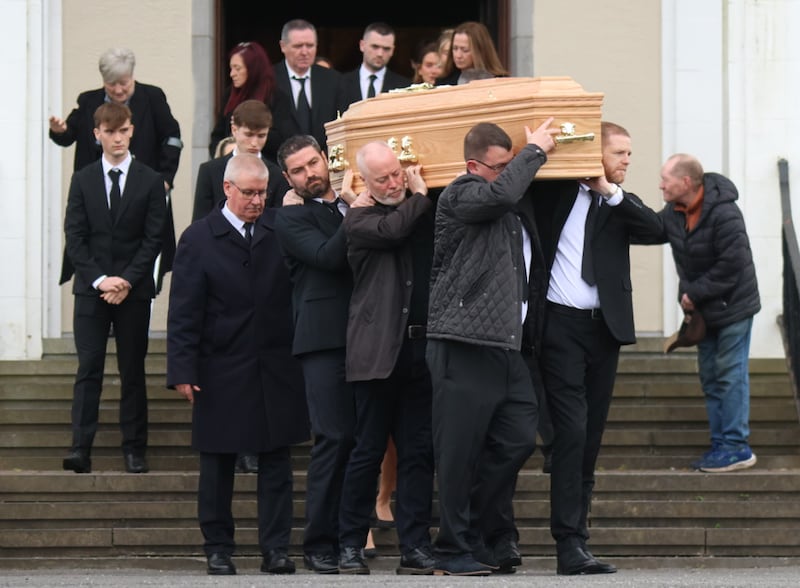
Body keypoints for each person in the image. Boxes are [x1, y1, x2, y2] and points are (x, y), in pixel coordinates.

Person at [425, 119, 558, 575]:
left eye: (510, 166)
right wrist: (534, 150)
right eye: (499, 166)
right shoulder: (459, 194)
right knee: (458, 454)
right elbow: (500, 194)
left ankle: (478, 533)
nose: (507, 175)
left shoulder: (507, 206)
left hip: (505, 348)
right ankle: (450, 549)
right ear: (472, 165)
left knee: (519, 439)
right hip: (461, 343)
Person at [167, 153, 309, 576]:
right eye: (248, 192)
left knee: (277, 463)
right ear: (227, 189)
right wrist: (182, 371)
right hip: (219, 365)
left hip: (275, 364)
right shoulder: (198, 238)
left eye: (263, 192)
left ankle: (276, 549)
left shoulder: (278, 230)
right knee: (217, 463)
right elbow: (184, 312)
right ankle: (218, 547)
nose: (256, 200)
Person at [531, 121, 662, 575]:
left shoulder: (619, 203)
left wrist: (610, 190)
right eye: (620, 153)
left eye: (629, 153)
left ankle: (578, 541)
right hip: (559, 328)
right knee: (571, 433)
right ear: (596, 153)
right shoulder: (554, 194)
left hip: (604, 331)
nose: (628, 160)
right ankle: (568, 542)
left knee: (588, 441)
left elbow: (660, 228)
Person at [336, 141, 436, 575]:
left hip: (419, 351)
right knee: (367, 452)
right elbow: (392, 231)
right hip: (376, 355)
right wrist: (420, 196)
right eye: (383, 179)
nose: (394, 182)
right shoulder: (358, 218)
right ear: (364, 182)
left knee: (418, 453)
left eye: (397, 173)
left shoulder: (416, 210)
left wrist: (421, 199)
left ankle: (415, 547)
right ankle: (350, 545)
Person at [60, 102, 166, 475]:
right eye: (110, 131)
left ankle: (135, 449)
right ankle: (80, 448)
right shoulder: (83, 179)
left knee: (132, 371)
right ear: (97, 135)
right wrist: (100, 280)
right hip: (91, 291)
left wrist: (127, 280)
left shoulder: (151, 180)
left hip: (133, 292)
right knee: (88, 369)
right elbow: (75, 236)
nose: (117, 138)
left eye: (123, 130)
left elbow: (154, 238)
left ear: (132, 130)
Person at [273, 135, 355, 574]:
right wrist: (356, 209)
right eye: (299, 171)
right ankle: (319, 542)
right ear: (288, 179)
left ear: (326, 159)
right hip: (322, 341)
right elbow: (327, 257)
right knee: (333, 439)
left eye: (313, 163)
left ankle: (351, 539)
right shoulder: (289, 219)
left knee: (364, 443)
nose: (310, 174)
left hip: (370, 337)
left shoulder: (354, 199)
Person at [653, 154, 761, 472]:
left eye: (665, 179)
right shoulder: (673, 213)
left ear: (685, 182)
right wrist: (611, 201)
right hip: (705, 310)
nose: (660, 184)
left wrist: (693, 293)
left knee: (729, 375)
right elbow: (646, 229)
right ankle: (721, 445)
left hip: (734, 307)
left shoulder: (725, 212)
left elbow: (733, 264)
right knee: (711, 378)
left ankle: (737, 447)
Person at [50, 47, 180, 293]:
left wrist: (165, 179)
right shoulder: (88, 101)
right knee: (94, 244)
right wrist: (59, 131)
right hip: (97, 194)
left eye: (124, 83)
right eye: (111, 84)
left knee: (146, 250)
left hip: (142, 192)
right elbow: (69, 135)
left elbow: (172, 138)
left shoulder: (152, 97)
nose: (119, 90)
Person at [194, 100, 290, 222]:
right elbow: (199, 222)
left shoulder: (277, 174)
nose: (254, 143)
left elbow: (278, 224)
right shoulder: (210, 171)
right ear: (234, 130)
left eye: (261, 136)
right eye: (249, 135)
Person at [208, 41, 298, 163]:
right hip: (231, 166)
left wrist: (249, 135)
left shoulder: (276, 97)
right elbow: (217, 136)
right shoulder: (230, 95)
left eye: (237, 68)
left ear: (252, 69)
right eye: (231, 68)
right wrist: (225, 150)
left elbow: (284, 139)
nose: (232, 74)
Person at [275, 19, 343, 154]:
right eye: (298, 46)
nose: (305, 52)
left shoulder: (334, 80)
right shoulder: (269, 80)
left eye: (310, 45)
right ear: (283, 46)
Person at [338, 22, 411, 111]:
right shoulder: (340, 83)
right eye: (375, 47)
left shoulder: (404, 87)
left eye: (386, 49)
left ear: (392, 50)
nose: (380, 54)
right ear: (362, 45)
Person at [436, 22, 508, 86]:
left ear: (480, 51)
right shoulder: (443, 82)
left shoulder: (501, 82)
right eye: (455, 48)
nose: (458, 55)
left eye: (465, 50)